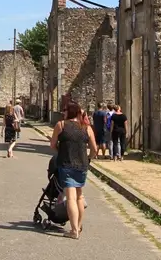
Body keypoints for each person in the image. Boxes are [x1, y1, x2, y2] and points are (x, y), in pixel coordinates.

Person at [50, 101, 98, 239]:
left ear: (69, 112)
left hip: (66, 163)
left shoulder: (61, 125)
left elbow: (52, 144)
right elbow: (94, 149)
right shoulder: (86, 128)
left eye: (65, 110)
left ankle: (74, 230)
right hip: (82, 165)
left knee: (71, 197)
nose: (63, 112)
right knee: (80, 196)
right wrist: (89, 158)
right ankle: (78, 225)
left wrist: (60, 150)